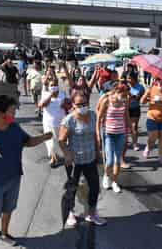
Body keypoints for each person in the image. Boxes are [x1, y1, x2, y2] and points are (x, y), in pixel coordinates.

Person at [0, 95, 52, 245]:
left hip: (14, 175)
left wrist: (44, 137)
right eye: (12, 111)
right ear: (1, 113)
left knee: (8, 208)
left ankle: (4, 233)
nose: (15, 114)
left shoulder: (14, 127)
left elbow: (28, 142)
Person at [59, 92, 107, 226]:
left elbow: (95, 135)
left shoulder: (93, 115)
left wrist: (98, 151)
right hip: (75, 162)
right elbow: (61, 140)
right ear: (73, 105)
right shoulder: (69, 120)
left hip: (90, 158)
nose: (82, 106)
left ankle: (92, 213)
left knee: (95, 187)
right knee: (72, 189)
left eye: (85, 103)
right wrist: (67, 155)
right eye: (79, 104)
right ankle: (70, 213)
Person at [97, 83, 132, 193]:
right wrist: (98, 134)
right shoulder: (107, 101)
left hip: (121, 134)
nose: (125, 96)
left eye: (126, 94)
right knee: (110, 161)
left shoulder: (124, 102)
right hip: (109, 134)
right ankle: (107, 176)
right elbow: (99, 118)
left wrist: (131, 130)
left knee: (118, 160)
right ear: (117, 91)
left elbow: (126, 117)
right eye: (123, 94)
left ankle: (115, 182)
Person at [140, 78, 162, 164]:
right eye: (160, 80)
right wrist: (147, 96)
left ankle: (160, 156)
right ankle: (148, 147)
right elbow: (142, 102)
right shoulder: (151, 89)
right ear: (157, 81)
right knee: (153, 137)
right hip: (152, 118)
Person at [39, 80, 68, 168]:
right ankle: (53, 157)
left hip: (61, 122)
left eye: (55, 85)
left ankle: (61, 157)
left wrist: (66, 104)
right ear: (48, 86)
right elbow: (41, 105)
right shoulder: (45, 94)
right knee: (50, 142)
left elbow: (68, 105)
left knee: (60, 141)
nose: (54, 86)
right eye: (52, 85)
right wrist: (50, 95)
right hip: (48, 123)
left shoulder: (62, 94)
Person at [127, 72, 145, 151]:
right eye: (127, 78)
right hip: (126, 109)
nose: (128, 80)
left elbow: (137, 98)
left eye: (129, 78)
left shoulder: (140, 87)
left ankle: (135, 144)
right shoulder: (125, 86)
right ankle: (126, 141)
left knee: (134, 126)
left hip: (135, 108)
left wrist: (129, 94)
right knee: (126, 127)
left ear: (134, 79)